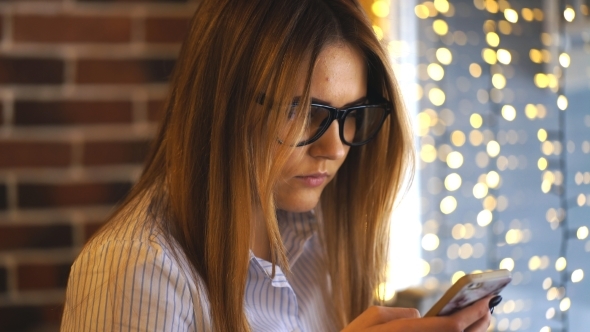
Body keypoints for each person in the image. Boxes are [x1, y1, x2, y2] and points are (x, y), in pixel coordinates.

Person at [61, 0, 494, 331]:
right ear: (223, 104)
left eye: (353, 113)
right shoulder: (134, 270)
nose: (335, 148)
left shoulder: (320, 238)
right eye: (303, 110)